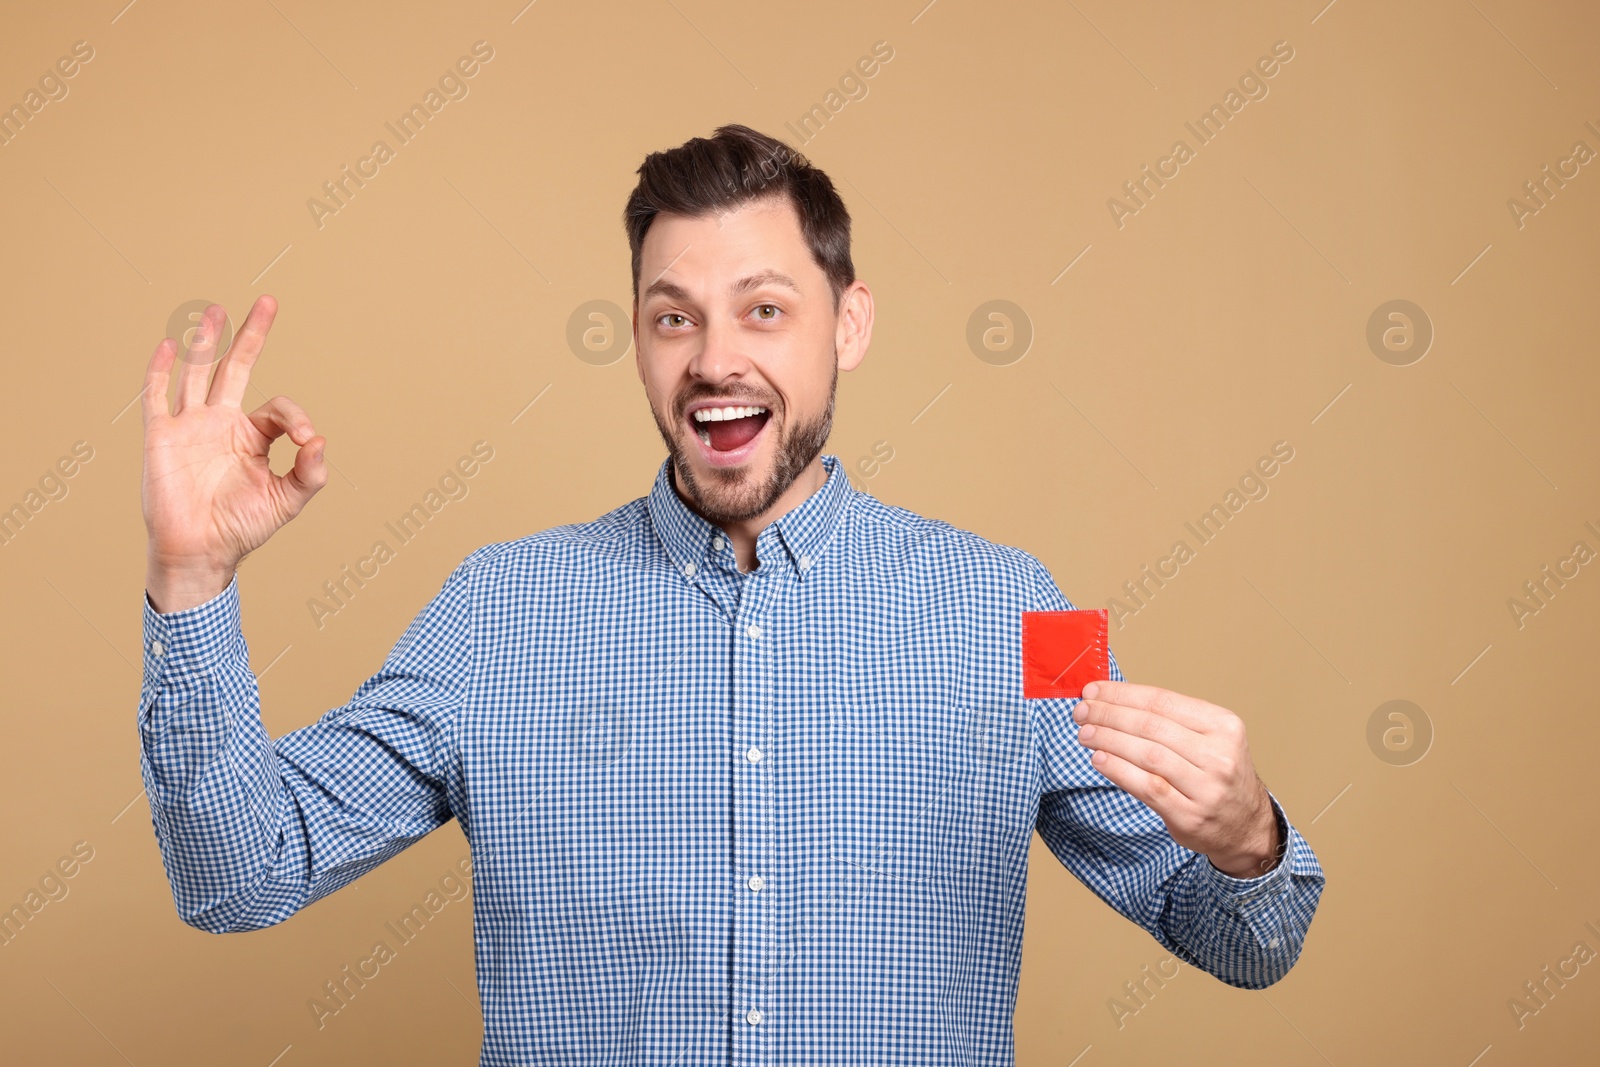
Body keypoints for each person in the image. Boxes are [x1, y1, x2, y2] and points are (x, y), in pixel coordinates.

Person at [138, 123, 1324, 1065]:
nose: (713, 358)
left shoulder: (1018, 608)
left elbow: (1246, 942)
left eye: (764, 308)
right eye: (673, 317)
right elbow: (240, 874)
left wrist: (1244, 839)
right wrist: (191, 585)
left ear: (846, 322)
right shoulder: (496, 608)